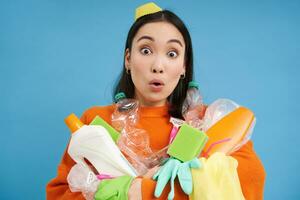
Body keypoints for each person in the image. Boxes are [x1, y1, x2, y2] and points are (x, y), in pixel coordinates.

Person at [46, 2, 266, 200]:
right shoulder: (97, 122)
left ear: (184, 67)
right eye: (146, 50)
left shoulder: (208, 122)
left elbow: (250, 180)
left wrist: (142, 192)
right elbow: (59, 194)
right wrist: (116, 194)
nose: (158, 66)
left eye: (172, 54)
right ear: (128, 59)